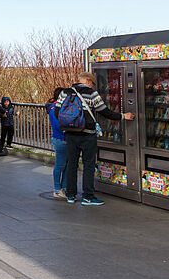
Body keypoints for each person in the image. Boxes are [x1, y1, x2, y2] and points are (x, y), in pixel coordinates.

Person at [56, 72, 135, 206]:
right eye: (92, 83)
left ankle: (71, 195)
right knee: (88, 165)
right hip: (87, 135)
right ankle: (87, 197)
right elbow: (105, 112)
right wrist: (123, 116)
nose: (93, 86)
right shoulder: (92, 94)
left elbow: (57, 112)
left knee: (72, 165)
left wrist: (71, 123)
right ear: (88, 81)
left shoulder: (65, 92)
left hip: (70, 134)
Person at [45, 87, 68, 199]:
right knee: (61, 164)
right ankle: (58, 189)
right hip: (61, 138)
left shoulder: (52, 107)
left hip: (59, 138)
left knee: (64, 165)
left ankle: (63, 188)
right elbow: (59, 125)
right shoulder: (56, 108)